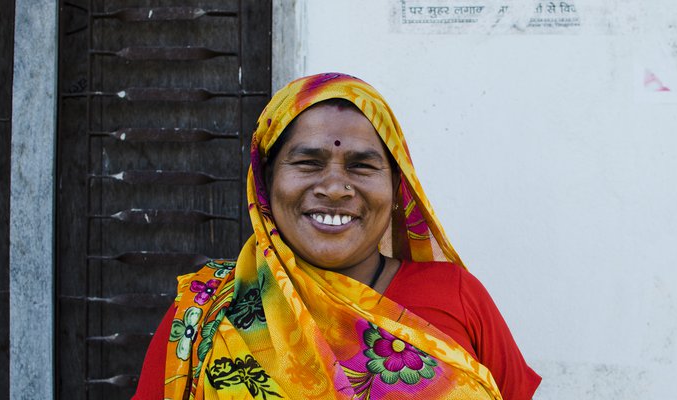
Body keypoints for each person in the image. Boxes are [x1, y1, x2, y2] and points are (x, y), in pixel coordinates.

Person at [134, 73, 540, 399]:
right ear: (265, 183)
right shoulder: (208, 311)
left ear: (397, 189)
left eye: (362, 167)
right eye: (308, 162)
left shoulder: (459, 297)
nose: (334, 187)